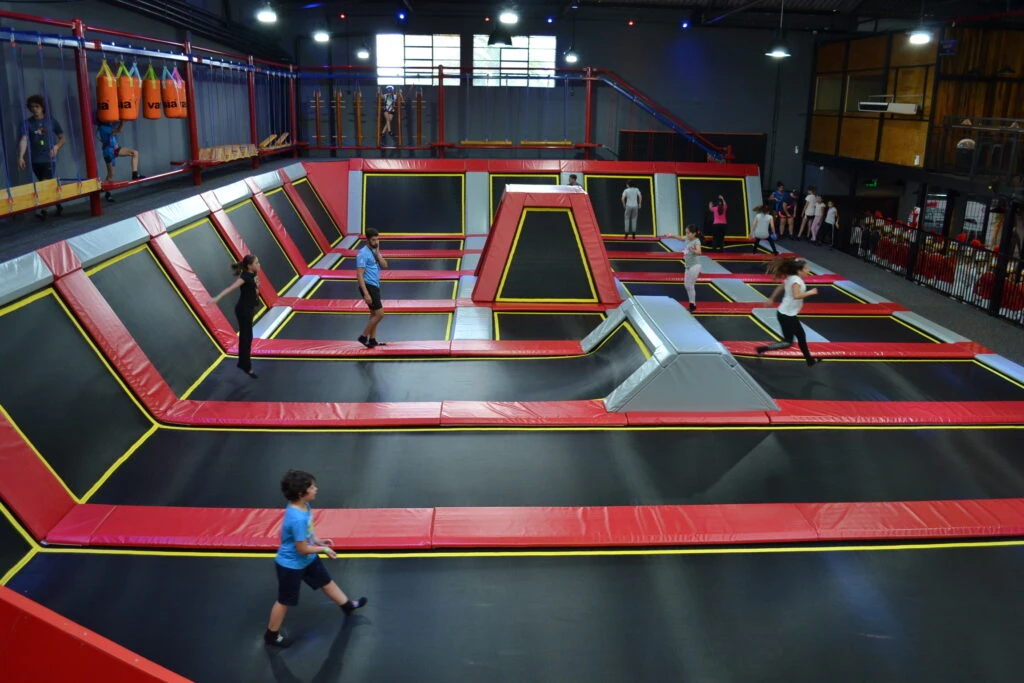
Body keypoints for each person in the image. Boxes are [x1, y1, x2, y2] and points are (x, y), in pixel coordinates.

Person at [264, 470, 367, 648]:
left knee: (326, 582)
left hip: (307, 559)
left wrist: (318, 540)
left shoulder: (304, 505)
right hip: (291, 565)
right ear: (300, 493)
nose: (316, 489)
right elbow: (301, 548)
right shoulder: (296, 518)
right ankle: (271, 634)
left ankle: (347, 605)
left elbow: (308, 532)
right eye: (312, 487)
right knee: (285, 600)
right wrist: (324, 549)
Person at [756, 256, 821, 367]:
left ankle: (809, 360)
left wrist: (772, 298)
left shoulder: (791, 278)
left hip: (787, 314)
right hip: (787, 315)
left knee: (801, 336)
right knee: (788, 342)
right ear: (799, 271)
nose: (808, 270)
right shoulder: (796, 281)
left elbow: (780, 288)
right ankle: (762, 349)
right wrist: (810, 292)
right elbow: (796, 296)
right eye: (806, 268)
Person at [208, 254, 261, 378]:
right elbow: (231, 288)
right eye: (256, 263)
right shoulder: (245, 277)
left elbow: (255, 291)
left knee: (247, 337)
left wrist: (257, 287)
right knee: (246, 338)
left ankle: (243, 363)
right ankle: (246, 366)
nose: (259, 265)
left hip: (249, 309)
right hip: (243, 310)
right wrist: (217, 297)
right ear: (249, 266)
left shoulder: (253, 274)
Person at [17, 94, 65, 220]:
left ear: (42, 107)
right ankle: (58, 204)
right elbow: (24, 139)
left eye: (37, 106)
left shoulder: (51, 121)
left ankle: (43, 210)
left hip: (49, 159)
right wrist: (21, 157)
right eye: (32, 107)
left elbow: (62, 138)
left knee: (44, 184)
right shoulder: (27, 123)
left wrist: (56, 147)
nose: (34, 109)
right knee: (48, 185)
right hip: (35, 161)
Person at [357, 228, 389, 347]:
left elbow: (385, 265)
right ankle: (363, 336)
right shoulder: (363, 254)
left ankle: (372, 339)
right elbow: (359, 275)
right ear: (368, 240)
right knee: (380, 314)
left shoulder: (375, 251)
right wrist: (366, 293)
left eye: (377, 239)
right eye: (373, 240)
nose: (376, 242)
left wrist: (378, 253)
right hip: (368, 286)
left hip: (375, 285)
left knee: (373, 314)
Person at [97, 119, 142, 202]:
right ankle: (107, 193)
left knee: (134, 153)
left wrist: (123, 119)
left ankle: (135, 174)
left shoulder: (108, 125)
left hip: (116, 148)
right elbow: (119, 130)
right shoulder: (102, 128)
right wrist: (123, 121)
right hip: (108, 152)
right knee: (111, 174)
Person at [682, 224, 702, 312]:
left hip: (695, 265)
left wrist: (692, 250)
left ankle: (692, 305)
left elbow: (699, 252)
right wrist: (671, 235)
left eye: (688, 233)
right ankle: (692, 304)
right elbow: (680, 238)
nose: (686, 234)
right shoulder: (687, 238)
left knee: (690, 285)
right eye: (686, 232)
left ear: (694, 233)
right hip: (688, 265)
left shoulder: (696, 241)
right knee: (686, 285)